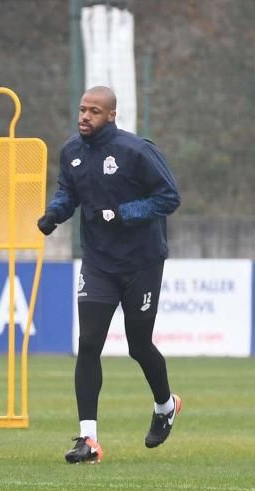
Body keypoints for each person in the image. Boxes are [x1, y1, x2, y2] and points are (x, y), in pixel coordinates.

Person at [36, 85, 181, 464]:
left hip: (142, 262)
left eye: (94, 111)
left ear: (112, 115)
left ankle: (165, 406)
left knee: (138, 345)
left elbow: (169, 197)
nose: (85, 117)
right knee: (88, 343)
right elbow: (69, 192)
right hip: (98, 262)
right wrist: (55, 214)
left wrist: (123, 213)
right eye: (82, 109)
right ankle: (89, 440)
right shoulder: (71, 152)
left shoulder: (137, 151)